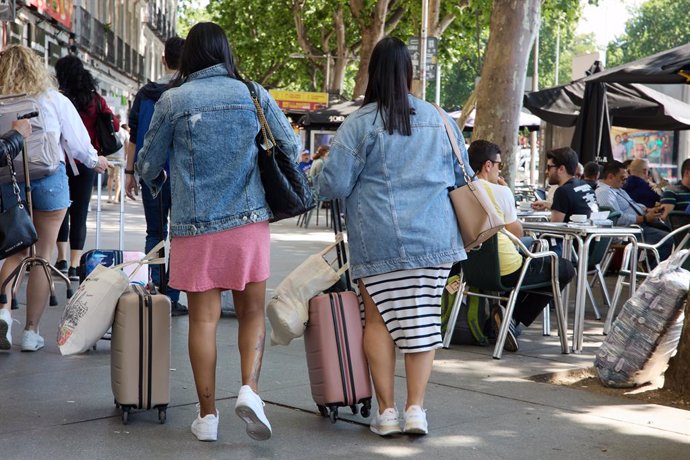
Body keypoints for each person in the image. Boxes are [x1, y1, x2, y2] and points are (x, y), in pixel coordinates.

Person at [136, 22, 298, 442]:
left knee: (203, 321)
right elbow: (290, 149)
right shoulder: (252, 94)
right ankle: (250, 391)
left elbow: (147, 165)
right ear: (225, 53)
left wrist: (162, 184)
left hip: (195, 227)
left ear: (188, 56)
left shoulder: (172, 101)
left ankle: (207, 417)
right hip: (248, 224)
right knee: (251, 314)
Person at [317, 37, 468, 437]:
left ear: (372, 73)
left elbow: (334, 183)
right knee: (423, 321)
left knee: (379, 321)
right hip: (435, 241)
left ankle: (386, 413)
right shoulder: (440, 119)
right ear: (409, 74)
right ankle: (415, 409)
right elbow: (459, 176)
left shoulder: (360, 123)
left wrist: (314, 175)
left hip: (379, 237)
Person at [0, 45, 108, 352]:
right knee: (44, 254)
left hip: (11, 182)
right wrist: (95, 161)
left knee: (16, 252)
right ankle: (32, 332)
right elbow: (77, 143)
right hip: (49, 181)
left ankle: (3, 312)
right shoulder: (51, 98)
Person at [468, 140, 575, 352]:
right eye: (499, 164)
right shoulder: (500, 192)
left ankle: (503, 319)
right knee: (563, 268)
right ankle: (512, 319)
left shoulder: (461, 190)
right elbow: (517, 232)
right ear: (488, 165)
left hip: (472, 270)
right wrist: (506, 192)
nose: (500, 169)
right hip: (506, 268)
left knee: (536, 258)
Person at [124, 36, 188, 317]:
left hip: (152, 173)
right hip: (185, 175)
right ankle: (172, 296)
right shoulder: (190, 91)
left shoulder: (145, 94)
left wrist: (130, 172)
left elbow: (133, 138)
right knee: (181, 236)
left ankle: (156, 289)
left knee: (155, 232)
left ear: (163, 60)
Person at [54, 55, 119, 281]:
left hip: (61, 162)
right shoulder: (95, 100)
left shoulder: (60, 99)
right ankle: (74, 265)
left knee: (61, 211)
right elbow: (115, 124)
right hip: (87, 162)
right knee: (80, 212)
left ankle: (60, 259)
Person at [596, 161, 672, 263]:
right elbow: (616, 218)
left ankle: (650, 268)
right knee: (669, 240)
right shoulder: (604, 192)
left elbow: (632, 204)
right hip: (627, 232)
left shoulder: (617, 189)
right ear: (610, 176)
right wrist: (643, 218)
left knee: (673, 236)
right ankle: (655, 273)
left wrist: (648, 210)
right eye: (622, 178)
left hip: (636, 228)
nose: (625, 181)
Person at [542, 147, 598, 223]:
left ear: (561, 169)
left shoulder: (563, 191)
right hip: (589, 232)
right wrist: (547, 204)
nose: (546, 171)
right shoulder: (586, 186)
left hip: (570, 234)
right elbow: (575, 208)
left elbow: (554, 227)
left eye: (549, 167)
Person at [106, 115, 128, 203]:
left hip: (109, 156)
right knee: (118, 177)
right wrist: (125, 157)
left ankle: (109, 196)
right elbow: (127, 145)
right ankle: (116, 198)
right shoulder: (124, 132)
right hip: (119, 157)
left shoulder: (109, 131)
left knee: (110, 177)